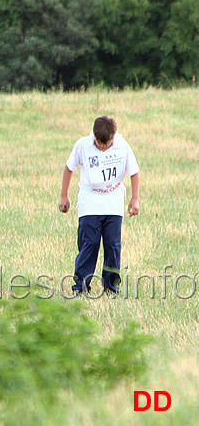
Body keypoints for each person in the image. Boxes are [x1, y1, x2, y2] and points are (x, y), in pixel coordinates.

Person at [59, 116, 140, 296]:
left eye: (107, 143)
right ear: (93, 136)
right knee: (89, 244)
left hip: (113, 203)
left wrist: (135, 199)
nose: (102, 146)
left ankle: (111, 286)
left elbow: (134, 172)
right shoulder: (82, 145)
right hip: (90, 203)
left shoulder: (123, 146)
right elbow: (69, 168)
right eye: (98, 142)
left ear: (113, 137)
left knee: (112, 245)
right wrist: (64, 196)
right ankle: (81, 285)